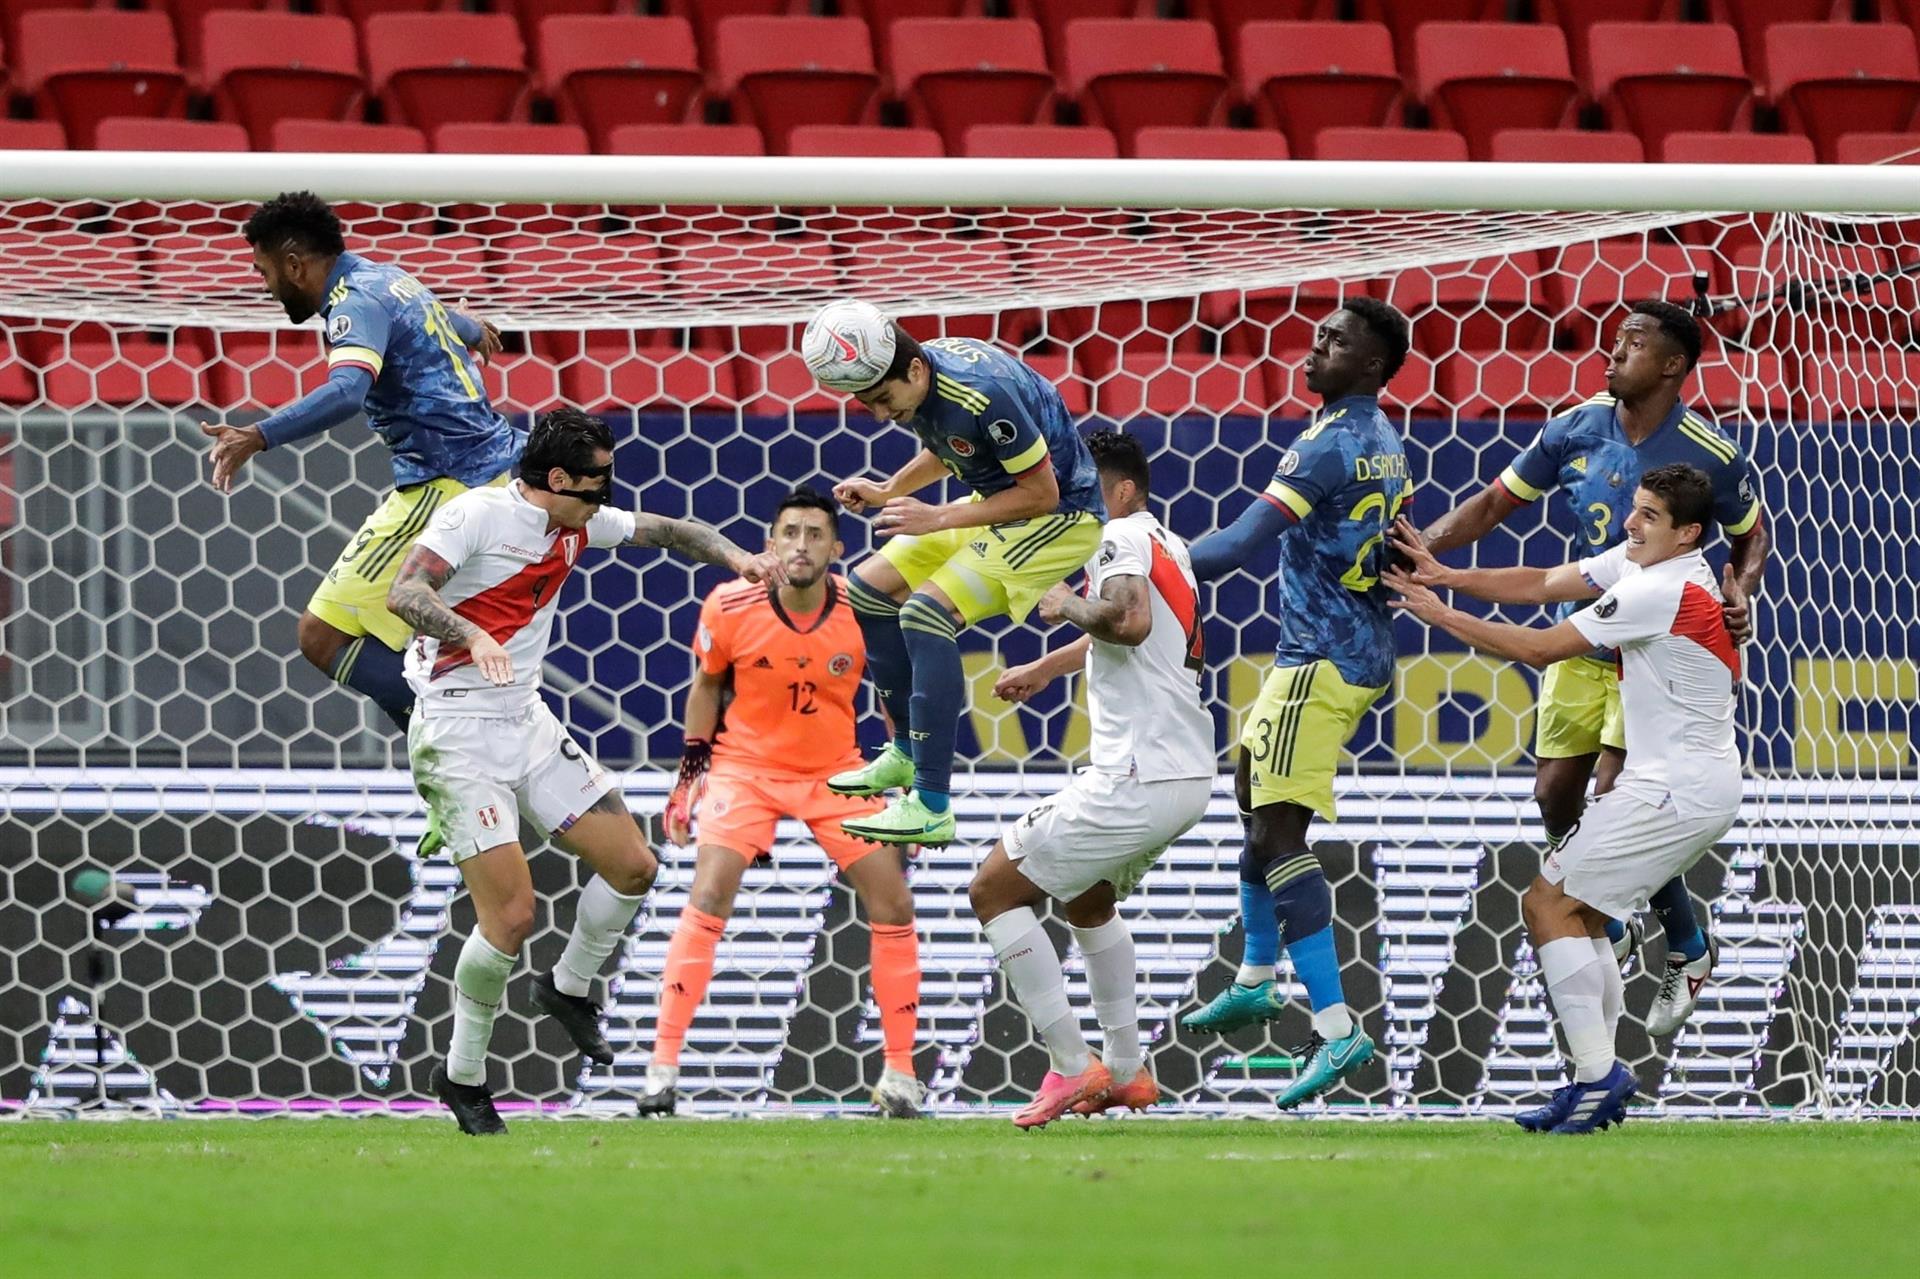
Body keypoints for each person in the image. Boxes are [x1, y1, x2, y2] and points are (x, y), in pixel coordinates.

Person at [385, 408, 782, 1134]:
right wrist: (473, 634)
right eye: (596, 487)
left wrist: (737, 558)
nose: (606, 501)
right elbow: (405, 594)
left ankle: (567, 989)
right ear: (558, 479)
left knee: (634, 866)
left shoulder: (577, 522)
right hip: (454, 731)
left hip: (526, 720)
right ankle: (463, 1073)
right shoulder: (476, 516)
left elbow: (669, 531)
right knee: (511, 915)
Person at [1417, 301, 1768, 1035]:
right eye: (1616, 340)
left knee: (1617, 792)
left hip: (1646, 650)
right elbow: (1492, 506)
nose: (1615, 351)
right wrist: (1427, 551)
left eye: (1634, 343)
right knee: (1554, 794)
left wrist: (1741, 590)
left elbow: (1751, 535)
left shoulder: (1709, 451)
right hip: (1590, 632)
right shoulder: (1575, 426)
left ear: (1673, 365)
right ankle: (1635, 925)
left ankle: (1680, 941)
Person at [1384, 464, 1743, 1133]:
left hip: (1676, 786)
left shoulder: (1662, 588)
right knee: (1577, 911)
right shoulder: (1648, 566)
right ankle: (1590, 1076)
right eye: (1634, 509)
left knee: (1547, 900)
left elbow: (1542, 648)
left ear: (1688, 532)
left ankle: (1599, 1075)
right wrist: (1448, 576)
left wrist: (1440, 615)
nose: (1631, 523)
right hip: (1677, 780)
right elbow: (1544, 582)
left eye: (1648, 516)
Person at [200, 191, 521, 860]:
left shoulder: (353, 304)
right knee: (416, 644)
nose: (262, 285)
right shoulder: (387, 276)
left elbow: (348, 390)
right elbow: (438, 316)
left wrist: (258, 434)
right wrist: (473, 329)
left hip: (447, 485)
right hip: (493, 467)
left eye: (262, 271)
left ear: (293, 263)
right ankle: (466, 766)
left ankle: (458, 776)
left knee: (322, 635)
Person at [1177, 299, 1414, 1112]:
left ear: (1375, 365)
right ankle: (1252, 975)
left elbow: (1241, 543)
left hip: (1322, 657)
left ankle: (1336, 1020)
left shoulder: (1325, 446)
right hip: (1346, 646)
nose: (1316, 348)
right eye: (1319, 335)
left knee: (1278, 826)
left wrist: (1148, 557)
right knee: (1253, 789)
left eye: (1337, 342)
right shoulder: (1385, 440)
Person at [641, 488, 925, 1119]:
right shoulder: (730, 602)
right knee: (710, 891)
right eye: (790, 532)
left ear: (837, 549)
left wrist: (906, 775)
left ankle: (901, 1076)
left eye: (815, 534)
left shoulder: (865, 609)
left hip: (836, 771)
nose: (801, 544)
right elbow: (707, 686)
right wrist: (690, 779)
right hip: (747, 767)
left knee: (894, 899)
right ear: (770, 543)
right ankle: (661, 1068)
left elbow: (894, 693)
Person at [979, 431, 1216, 1128]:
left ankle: (1067, 1061)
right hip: (1183, 773)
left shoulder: (1118, 535)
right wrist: (1045, 666)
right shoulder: (1169, 544)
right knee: (1085, 901)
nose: (1078, 502)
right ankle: (1125, 1069)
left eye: (1088, 489)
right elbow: (1129, 624)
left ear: (1121, 490)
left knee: (992, 888)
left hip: (1137, 772)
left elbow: (1128, 621)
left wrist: (1065, 601)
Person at [805, 299, 1106, 847]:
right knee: (869, 589)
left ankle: (932, 804)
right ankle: (904, 754)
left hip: (1061, 519)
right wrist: (890, 490)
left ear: (914, 371)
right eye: (864, 402)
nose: (877, 414)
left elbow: (1043, 493)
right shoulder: (923, 377)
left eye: (881, 399)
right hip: (997, 502)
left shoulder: (980, 392)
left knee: (925, 614)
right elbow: (952, 446)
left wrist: (937, 516)